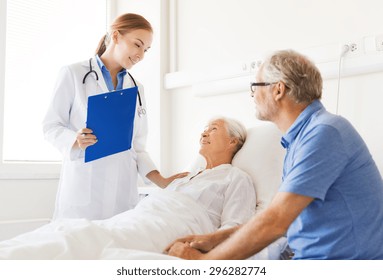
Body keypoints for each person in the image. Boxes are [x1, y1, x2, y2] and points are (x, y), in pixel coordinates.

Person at [166, 49, 383, 260]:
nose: (252, 94)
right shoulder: (299, 139)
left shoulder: (325, 132)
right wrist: (214, 239)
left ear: (278, 90)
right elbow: (284, 219)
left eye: (256, 85)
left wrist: (206, 264)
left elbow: (277, 220)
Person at [0, 117, 256, 259]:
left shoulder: (235, 178)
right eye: (203, 128)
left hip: (174, 226)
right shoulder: (186, 177)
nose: (204, 132)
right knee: (74, 230)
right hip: (142, 215)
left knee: (86, 241)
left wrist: (200, 250)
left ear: (233, 140)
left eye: (213, 129)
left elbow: (235, 229)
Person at [42, 13, 188, 220]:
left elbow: (137, 146)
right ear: (116, 36)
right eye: (137, 45)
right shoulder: (73, 74)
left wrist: (161, 180)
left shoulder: (136, 89)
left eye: (145, 50)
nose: (141, 55)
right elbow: (51, 126)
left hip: (121, 191)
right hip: (84, 187)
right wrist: (75, 140)